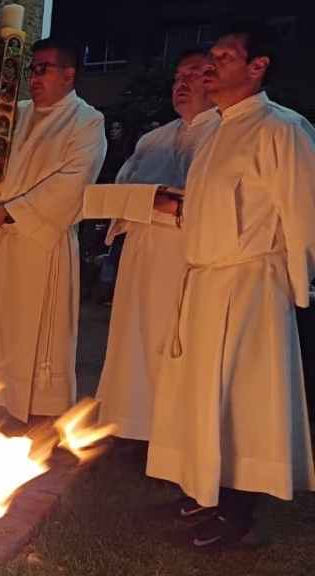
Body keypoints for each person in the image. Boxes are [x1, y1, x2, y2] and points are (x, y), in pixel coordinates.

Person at [147, 22, 315, 547]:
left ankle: (239, 508)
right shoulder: (217, 130)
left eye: (224, 56)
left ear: (257, 65)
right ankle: (205, 486)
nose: (211, 65)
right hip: (206, 279)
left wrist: (297, 287)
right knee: (202, 392)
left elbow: (302, 213)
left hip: (250, 281)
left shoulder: (281, 129)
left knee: (243, 396)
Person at [0, 38, 106, 424]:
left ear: (69, 75)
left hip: (39, 246)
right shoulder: (8, 115)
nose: (34, 77)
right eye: (31, 69)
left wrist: (10, 212)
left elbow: (74, 181)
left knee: (33, 336)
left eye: (44, 69)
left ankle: (36, 415)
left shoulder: (87, 121)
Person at [95, 49, 219, 445]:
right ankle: (135, 425)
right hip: (141, 254)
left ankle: (174, 431)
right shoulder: (152, 139)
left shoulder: (225, 133)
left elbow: (208, 200)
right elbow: (118, 192)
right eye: (178, 76)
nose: (182, 84)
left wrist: (161, 202)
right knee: (136, 341)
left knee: (177, 343)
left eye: (196, 74)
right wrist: (151, 200)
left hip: (187, 255)